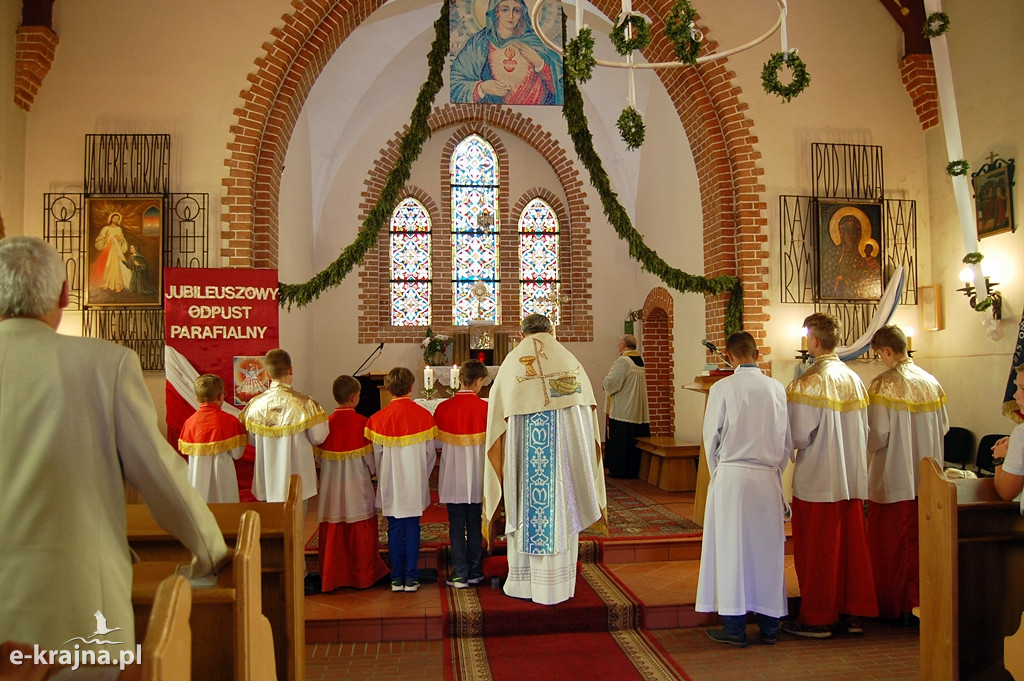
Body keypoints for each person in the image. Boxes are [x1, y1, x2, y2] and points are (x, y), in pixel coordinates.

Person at [0, 236, 229, 653]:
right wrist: (211, 549)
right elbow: (159, 473)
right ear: (66, 294)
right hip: (75, 611)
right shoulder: (105, 365)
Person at [484, 313, 606, 605]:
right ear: (552, 330)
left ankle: (523, 584)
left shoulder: (513, 362)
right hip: (561, 464)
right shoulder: (569, 362)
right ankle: (557, 586)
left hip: (523, 464)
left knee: (526, 509)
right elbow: (585, 419)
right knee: (560, 507)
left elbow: (496, 424)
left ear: (521, 333)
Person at [782, 312, 878, 638]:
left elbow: (797, 435)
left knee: (820, 550)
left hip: (819, 480)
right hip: (852, 478)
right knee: (851, 549)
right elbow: (865, 429)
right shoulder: (854, 380)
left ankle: (818, 618)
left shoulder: (807, 381)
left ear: (814, 341)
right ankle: (853, 614)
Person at [696, 332, 792, 646]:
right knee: (767, 552)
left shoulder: (723, 388)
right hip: (766, 479)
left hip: (732, 478)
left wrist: (719, 476)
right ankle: (769, 626)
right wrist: (774, 473)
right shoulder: (776, 388)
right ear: (757, 352)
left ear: (730, 355)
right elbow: (786, 442)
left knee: (730, 550)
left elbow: (711, 437)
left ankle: (735, 627)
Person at [866, 325, 948, 624]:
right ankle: (927, 602)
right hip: (929, 482)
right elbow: (944, 429)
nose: (880, 361)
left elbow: (877, 436)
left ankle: (899, 606)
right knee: (924, 545)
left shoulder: (882, 385)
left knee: (896, 547)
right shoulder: (931, 382)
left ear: (886, 351)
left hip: (895, 478)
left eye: (878, 355)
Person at [365, 367, 438, 593]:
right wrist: (420, 477)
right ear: (411, 387)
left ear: (388, 388)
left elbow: (375, 456)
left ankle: (397, 578)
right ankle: (412, 577)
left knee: (394, 528)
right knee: (413, 527)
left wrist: (382, 474)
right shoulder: (424, 416)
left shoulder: (377, 419)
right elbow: (429, 455)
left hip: (390, 481)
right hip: (414, 482)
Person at [315, 375, 389, 591]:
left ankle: (332, 577)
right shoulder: (363, 424)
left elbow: (319, 458)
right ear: (355, 397)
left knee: (334, 531)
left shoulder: (325, 426)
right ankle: (363, 576)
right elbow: (371, 461)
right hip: (357, 490)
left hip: (332, 491)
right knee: (360, 531)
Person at [240, 348, 329, 502]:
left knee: (271, 524)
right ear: (291, 370)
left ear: (267, 374)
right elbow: (318, 437)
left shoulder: (255, 405)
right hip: (297, 477)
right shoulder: (305, 403)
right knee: (296, 524)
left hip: (267, 480)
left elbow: (251, 440)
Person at [433, 359, 490, 588]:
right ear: (478, 382)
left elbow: (435, 445)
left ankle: (459, 574)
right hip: (477, 478)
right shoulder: (486, 409)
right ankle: (475, 571)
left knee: (456, 525)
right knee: (475, 523)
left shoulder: (443, 408)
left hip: (452, 478)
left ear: (459, 379)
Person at [450, 0, 563, 105]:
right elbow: (455, 82)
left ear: (522, 13)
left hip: (538, 115)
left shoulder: (535, 42)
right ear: (496, 12)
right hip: (494, 115)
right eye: (505, 9)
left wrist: (539, 64)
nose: (511, 16)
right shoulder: (479, 44)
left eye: (516, 10)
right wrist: (482, 87)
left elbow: (560, 86)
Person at [178, 373, 247, 502]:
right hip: (223, 478)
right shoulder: (230, 421)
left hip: (196, 480)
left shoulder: (189, 423)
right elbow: (237, 454)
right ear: (221, 396)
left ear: (197, 398)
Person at [602, 333, 651, 478]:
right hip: (636, 408)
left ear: (623, 345)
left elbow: (612, 383)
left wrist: (604, 380)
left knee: (621, 440)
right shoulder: (639, 359)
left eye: (619, 342)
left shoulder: (623, 361)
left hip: (623, 409)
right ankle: (633, 469)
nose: (618, 345)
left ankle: (620, 470)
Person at [993, 364, 1024, 504]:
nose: (1015, 395)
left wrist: (1000, 458)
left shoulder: (1021, 433)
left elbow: (1007, 492)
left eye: (1023, 388)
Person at [90, 212, 131, 293]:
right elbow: (100, 239)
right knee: (107, 265)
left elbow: (123, 240)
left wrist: (120, 239)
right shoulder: (106, 228)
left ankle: (117, 284)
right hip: (108, 251)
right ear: (111, 219)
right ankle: (107, 283)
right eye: (115, 218)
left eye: (118, 219)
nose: (116, 220)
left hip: (117, 251)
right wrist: (109, 238)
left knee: (117, 266)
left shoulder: (119, 229)